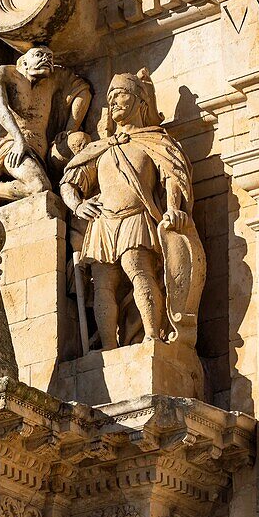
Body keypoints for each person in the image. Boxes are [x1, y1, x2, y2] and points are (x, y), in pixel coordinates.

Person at [60, 69, 201, 349]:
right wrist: (78, 205)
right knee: (102, 282)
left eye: (120, 94)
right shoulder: (100, 148)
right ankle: (109, 350)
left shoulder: (155, 142)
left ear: (140, 102)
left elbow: (172, 176)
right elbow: (69, 182)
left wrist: (173, 208)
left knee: (137, 269)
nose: (113, 102)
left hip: (136, 218)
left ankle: (151, 336)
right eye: (110, 97)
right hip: (103, 222)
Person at [0, 46, 92, 210]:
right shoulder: (4, 73)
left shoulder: (54, 78)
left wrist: (70, 129)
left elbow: (83, 91)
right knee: (39, 187)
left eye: (50, 57)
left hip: (42, 154)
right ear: (24, 62)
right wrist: (19, 140)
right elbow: (0, 108)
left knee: (80, 140)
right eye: (39, 55)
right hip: (10, 145)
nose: (46, 59)